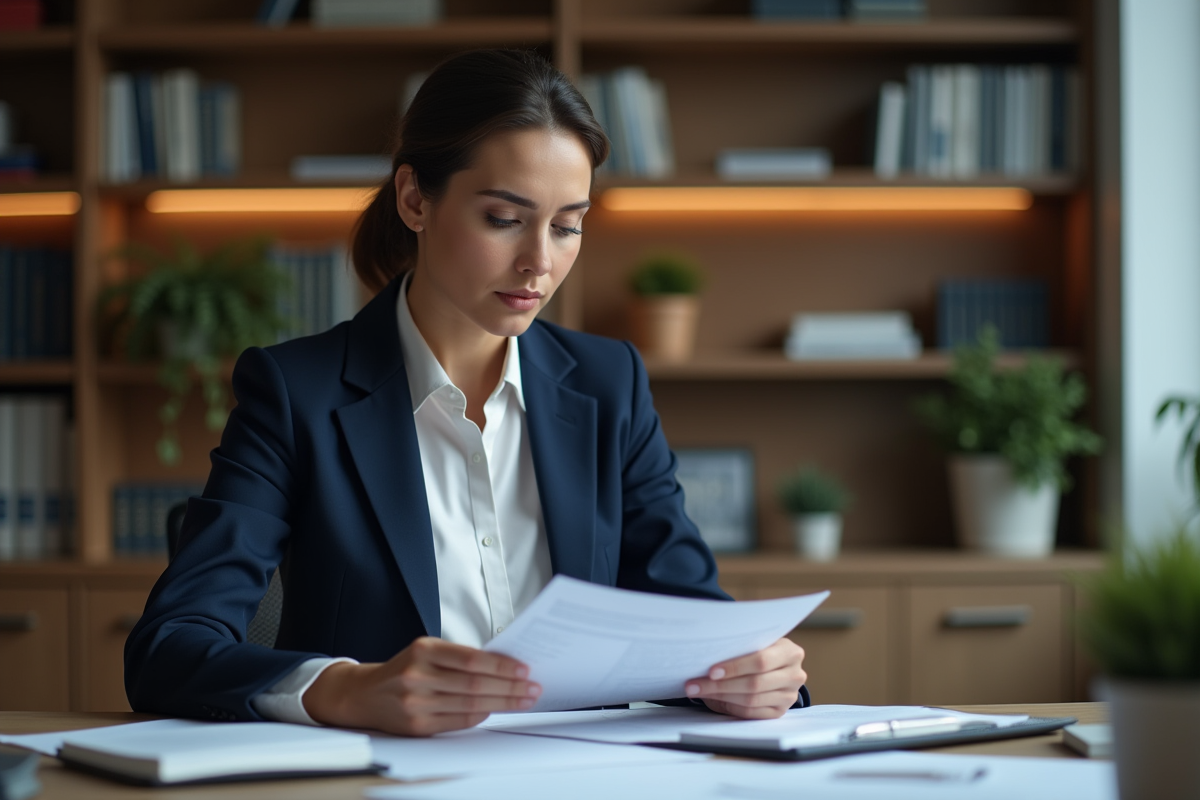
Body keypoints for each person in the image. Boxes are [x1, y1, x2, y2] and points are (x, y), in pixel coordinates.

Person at [124, 48, 808, 737]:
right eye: (504, 219)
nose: (540, 261)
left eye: (568, 226)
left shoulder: (610, 386)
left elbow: (694, 623)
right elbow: (169, 647)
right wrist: (344, 689)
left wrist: (748, 675)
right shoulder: (296, 392)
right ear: (415, 199)